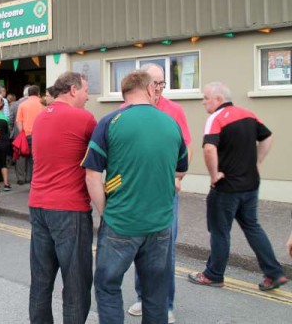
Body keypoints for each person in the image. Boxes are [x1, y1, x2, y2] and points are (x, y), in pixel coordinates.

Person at [83, 70, 188, 324]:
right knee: (155, 292)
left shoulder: (110, 122)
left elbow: (92, 175)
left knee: (108, 286)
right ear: (151, 89)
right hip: (160, 224)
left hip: (121, 222)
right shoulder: (171, 123)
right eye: (158, 87)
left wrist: (105, 211)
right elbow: (181, 170)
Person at [188, 82, 288, 291]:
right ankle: (275, 273)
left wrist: (214, 175)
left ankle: (213, 274)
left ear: (217, 99)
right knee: (252, 227)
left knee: (219, 231)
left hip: (226, 188)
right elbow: (268, 136)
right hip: (250, 185)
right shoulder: (249, 114)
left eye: (206, 98)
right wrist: (257, 163)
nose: (203, 102)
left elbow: (209, 149)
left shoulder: (215, 118)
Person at [28, 72, 97, 323]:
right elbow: (106, 154)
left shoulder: (40, 118)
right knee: (76, 283)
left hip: (38, 204)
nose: (89, 96)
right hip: (70, 208)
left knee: (41, 280)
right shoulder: (84, 118)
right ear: (73, 89)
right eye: (87, 90)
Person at [127, 64, 193, 323]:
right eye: (154, 83)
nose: (158, 89)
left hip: (165, 192)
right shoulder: (128, 109)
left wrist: (178, 177)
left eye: (162, 83)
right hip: (136, 193)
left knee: (165, 250)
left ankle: (165, 303)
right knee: (138, 246)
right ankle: (144, 299)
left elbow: (184, 148)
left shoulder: (174, 110)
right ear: (143, 84)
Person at [16, 85, 45, 184]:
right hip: (40, 135)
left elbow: (19, 122)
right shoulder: (43, 104)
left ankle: (24, 178)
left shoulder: (23, 104)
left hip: (27, 135)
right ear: (38, 93)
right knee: (37, 159)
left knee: (24, 157)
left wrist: (22, 133)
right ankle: (34, 179)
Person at [10, 85, 29, 183]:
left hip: (18, 132)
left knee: (20, 155)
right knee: (30, 155)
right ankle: (29, 176)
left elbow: (11, 120)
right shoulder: (37, 103)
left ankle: (21, 178)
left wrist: (12, 131)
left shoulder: (15, 104)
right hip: (31, 132)